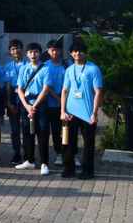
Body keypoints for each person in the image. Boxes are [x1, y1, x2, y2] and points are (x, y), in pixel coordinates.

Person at [60, 40, 103, 180]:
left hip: (88, 114)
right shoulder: (69, 69)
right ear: (71, 53)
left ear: (86, 53)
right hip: (71, 113)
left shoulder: (93, 69)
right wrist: (62, 111)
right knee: (68, 142)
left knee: (88, 144)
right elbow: (65, 91)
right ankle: (69, 168)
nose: (77, 53)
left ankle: (87, 171)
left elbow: (98, 92)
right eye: (74, 51)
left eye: (80, 51)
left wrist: (95, 113)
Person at [15, 42, 52, 175]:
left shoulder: (46, 68)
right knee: (27, 133)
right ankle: (29, 160)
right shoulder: (24, 68)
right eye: (30, 52)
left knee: (42, 133)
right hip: (26, 104)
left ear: (40, 53)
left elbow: (46, 89)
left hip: (40, 105)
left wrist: (34, 106)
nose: (33, 55)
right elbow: (19, 89)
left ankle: (44, 163)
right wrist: (27, 106)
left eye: (36, 52)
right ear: (27, 54)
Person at [1, 39, 26, 165]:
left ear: (22, 49)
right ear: (10, 52)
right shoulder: (7, 67)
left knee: (27, 128)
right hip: (13, 101)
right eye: (12, 49)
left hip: (27, 101)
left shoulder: (28, 64)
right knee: (14, 130)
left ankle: (28, 153)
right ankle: (17, 153)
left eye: (17, 48)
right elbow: (6, 86)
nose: (15, 51)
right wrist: (8, 104)